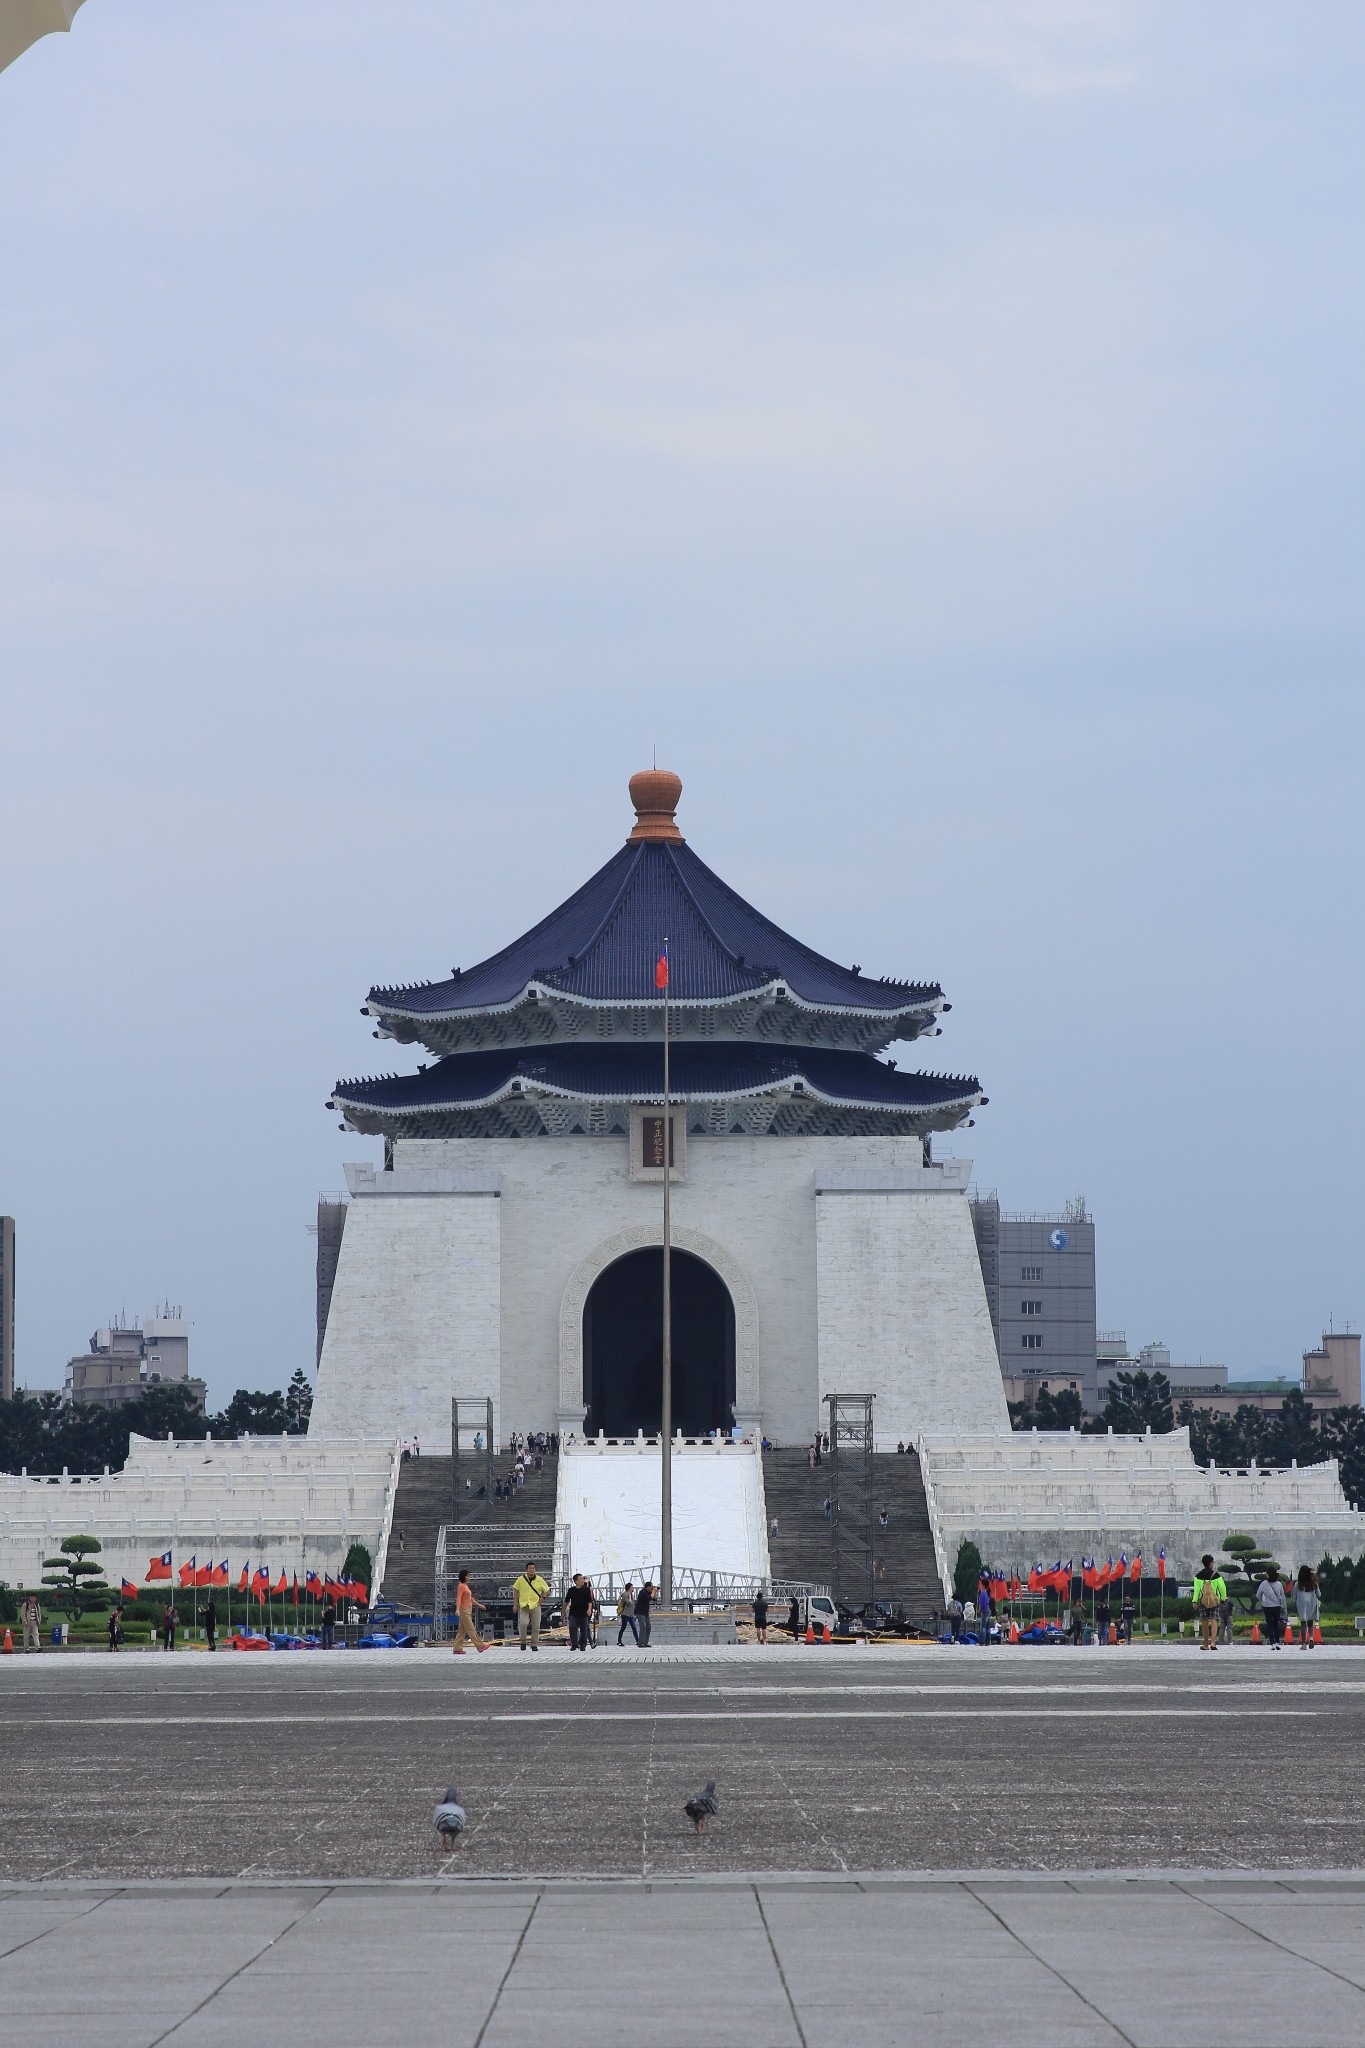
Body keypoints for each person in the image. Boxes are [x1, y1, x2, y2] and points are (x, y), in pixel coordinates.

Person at [512, 1560, 550, 1651]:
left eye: (533, 1568)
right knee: (523, 1624)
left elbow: (547, 1590)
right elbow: (516, 1591)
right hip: (524, 1605)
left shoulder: (539, 1579)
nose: (532, 1570)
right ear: (526, 1569)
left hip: (535, 1605)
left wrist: (543, 1598)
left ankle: (534, 1644)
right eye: (530, 1568)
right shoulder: (521, 1579)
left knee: (536, 1626)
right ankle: (523, 1642)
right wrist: (515, 1605)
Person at [1193, 1554, 1227, 1652]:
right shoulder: (1216, 1575)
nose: (1213, 1564)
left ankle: (1205, 1644)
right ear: (1210, 1563)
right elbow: (1222, 1588)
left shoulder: (1198, 1576)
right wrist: (1223, 1598)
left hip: (1203, 1601)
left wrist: (1195, 1601)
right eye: (1213, 1562)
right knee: (1214, 1620)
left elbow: (1197, 1590)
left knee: (1204, 1621)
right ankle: (1213, 1642)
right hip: (1215, 1601)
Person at [452, 1569, 490, 1654]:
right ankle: (480, 1646)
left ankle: (457, 1648)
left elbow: (470, 1598)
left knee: (462, 1630)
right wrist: (457, 1609)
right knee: (471, 1628)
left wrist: (479, 1605)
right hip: (464, 1610)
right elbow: (458, 1598)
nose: (470, 1577)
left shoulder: (465, 1586)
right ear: (464, 1576)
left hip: (467, 1609)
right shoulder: (461, 1586)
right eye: (468, 1575)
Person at [1257, 1567, 1288, 1649]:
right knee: (1275, 1624)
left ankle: (1272, 1643)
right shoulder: (1279, 1584)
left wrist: (1262, 1601)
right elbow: (1282, 1596)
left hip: (1267, 1606)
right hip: (1276, 1606)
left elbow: (1258, 1594)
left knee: (1269, 1625)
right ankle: (1277, 1642)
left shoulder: (1264, 1583)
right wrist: (1285, 1607)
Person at [565, 1572, 594, 1652]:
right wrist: (563, 1611)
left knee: (583, 1629)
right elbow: (566, 1601)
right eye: (580, 1579)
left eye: (582, 1579)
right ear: (576, 1581)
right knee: (572, 1627)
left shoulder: (586, 1590)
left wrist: (589, 1609)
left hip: (583, 1612)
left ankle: (582, 1645)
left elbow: (590, 1601)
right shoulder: (571, 1590)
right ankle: (574, 1644)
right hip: (573, 1612)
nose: (582, 1580)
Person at [1295, 1564, 1321, 1650]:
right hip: (1312, 1604)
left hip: (1302, 1605)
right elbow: (1319, 1594)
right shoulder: (1314, 1583)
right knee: (1310, 1622)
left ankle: (1303, 1644)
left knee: (1303, 1623)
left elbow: (1293, 1596)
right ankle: (1311, 1639)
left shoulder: (1298, 1584)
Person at [634, 1580, 654, 1649]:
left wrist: (655, 1592)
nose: (652, 1589)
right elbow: (649, 1598)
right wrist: (653, 1592)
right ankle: (640, 1642)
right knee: (643, 1626)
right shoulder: (643, 1592)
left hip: (645, 1613)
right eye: (651, 1587)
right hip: (640, 1612)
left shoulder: (648, 1592)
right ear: (647, 1587)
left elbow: (654, 1599)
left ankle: (645, 1642)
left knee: (648, 1627)